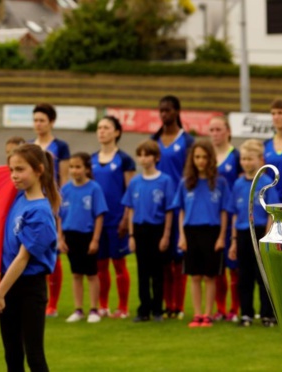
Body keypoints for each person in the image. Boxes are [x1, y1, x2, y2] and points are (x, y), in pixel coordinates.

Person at [0, 143, 60, 372]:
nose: (14, 176)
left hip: (29, 287)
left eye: (20, 170)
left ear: (39, 170)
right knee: (12, 355)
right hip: (9, 282)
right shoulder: (19, 198)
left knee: (34, 356)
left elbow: (22, 259)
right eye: (11, 170)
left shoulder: (40, 211)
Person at [171, 140, 229, 328]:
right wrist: (181, 235)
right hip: (191, 231)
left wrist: (221, 237)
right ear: (192, 159)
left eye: (204, 157)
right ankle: (197, 314)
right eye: (197, 157)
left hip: (211, 231)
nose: (201, 161)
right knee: (194, 276)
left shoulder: (219, 182)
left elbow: (224, 211)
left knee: (209, 276)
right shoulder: (185, 183)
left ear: (211, 159)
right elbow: (180, 210)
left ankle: (208, 314)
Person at [151, 95, 195, 320]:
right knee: (163, 258)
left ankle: (178, 305)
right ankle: (167, 304)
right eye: (161, 111)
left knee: (179, 258)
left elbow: (191, 171)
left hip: (179, 204)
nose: (163, 114)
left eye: (167, 110)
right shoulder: (154, 139)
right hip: (159, 204)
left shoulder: (186, 141)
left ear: (177, 111)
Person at [122, 140, 176, 322]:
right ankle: (143, 309)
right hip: (139, 229)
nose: (143, 159)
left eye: (147, 155)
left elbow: (169, 210)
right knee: (142, 272)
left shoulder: (165, 180)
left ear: (156, 158)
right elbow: (130, 210)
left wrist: (166, 235)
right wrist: (131, 235)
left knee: (157, 272)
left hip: (157, 230)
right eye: (140, 155)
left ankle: (157, 309)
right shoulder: (135, 181)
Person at [227, 139, 279, 327]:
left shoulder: (267, 183)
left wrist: (267, 238)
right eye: (243, 159)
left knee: (263, 275)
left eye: (250, 159)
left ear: (260, 160)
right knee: (244, 276)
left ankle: (268, 314)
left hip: (261, 232)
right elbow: (234, 214)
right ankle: (246, 313)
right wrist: (233, 241)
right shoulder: (238, 184)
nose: (246, 163)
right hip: (242, 232)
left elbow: (271, 213)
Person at [92, 115, 136, 318]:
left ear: (117, 132)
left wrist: (126, 218)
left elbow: (130, 191)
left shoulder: (124, 160)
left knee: (118, 264)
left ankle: (123, 307)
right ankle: (102, 305)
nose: (102, 131)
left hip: (117, 219)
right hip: (97, 222)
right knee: (100, 265)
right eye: (99, 127)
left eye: (106, 127)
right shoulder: (90, 160)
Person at [29, 104, 71, 318]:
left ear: (51, 122)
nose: (38, 124)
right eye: (35, 120)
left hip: (50, 204)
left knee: (53, 253)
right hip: (31, 205)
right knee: (31, 251)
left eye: (42, 120)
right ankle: (35, 298)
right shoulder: (29, 147)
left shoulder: (60, 147)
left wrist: (58, 205)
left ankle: (52, 304)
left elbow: (62, 179)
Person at [59, 153, 108, 324]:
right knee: (76, 274)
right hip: (70, 236)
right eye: (71, 167)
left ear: (87, 169)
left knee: (92, 274)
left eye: (78, 167)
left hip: (87, 236)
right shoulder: (65, 190)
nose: (74, 170)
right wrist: (60, 238)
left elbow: (99, 216)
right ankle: (78, 309)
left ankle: (94, 309)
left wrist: (95, 239)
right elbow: (59, 216)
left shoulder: (94, 188)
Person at [208, 115, 242, 322]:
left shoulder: (236, 156)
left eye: (218, 129)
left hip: (233, 218)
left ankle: (234, 308)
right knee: (217, 267)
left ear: (228, 131)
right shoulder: (207, 157)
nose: (214, 134)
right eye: (211, 130)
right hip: (213, 218)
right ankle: (219, 308)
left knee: (234, 267)